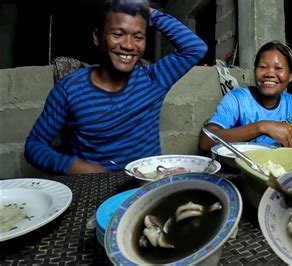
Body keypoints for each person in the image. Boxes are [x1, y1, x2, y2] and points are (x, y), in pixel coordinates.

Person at [24, 0, 208, 175]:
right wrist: (72, 166)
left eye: (138, 37)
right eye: (118, 34)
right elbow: (34, 145)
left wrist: (146, 11)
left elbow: (195, 48)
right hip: (94, 188)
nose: (128, 45)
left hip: (145, 183)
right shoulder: (69, 89)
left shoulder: (154, 79)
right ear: (97, 37)